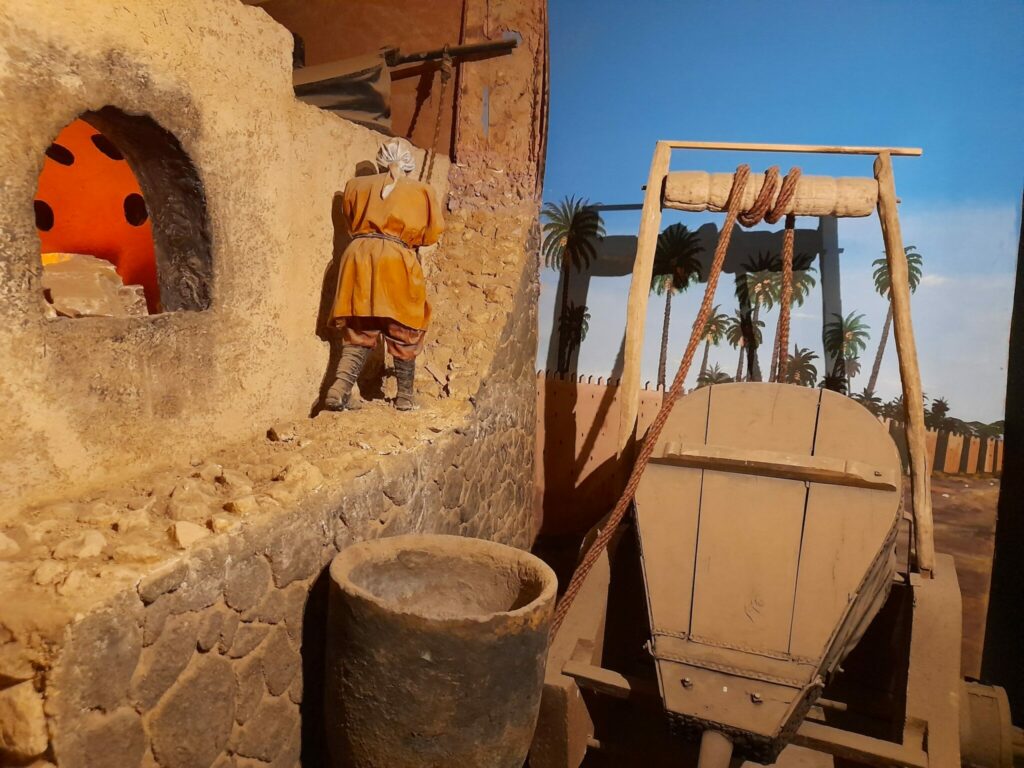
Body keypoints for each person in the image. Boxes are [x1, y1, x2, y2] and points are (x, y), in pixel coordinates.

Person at [325, 139, 444, 411]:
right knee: (403, 328)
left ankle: (339, 388)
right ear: (408, 162)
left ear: (380, 160)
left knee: (359, 328)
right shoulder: (422, 191)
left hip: (358, 257)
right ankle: (404, 398)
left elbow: (349, 218)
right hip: (396, 257)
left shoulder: (355, 186)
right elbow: (432, 233)